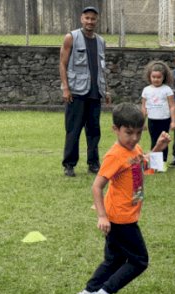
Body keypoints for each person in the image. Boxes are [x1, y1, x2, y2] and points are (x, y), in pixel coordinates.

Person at [74, 103, 171, 294]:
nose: (134, 138)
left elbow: (142, 165)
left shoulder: (133, 149)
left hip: (124, 214)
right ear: (115, 129)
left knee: (115, 259)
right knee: (139, 260)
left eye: (138, 133)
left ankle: (88, 293)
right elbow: (97, 186)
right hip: (120, 218)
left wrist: (158, 148)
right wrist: (102, 216)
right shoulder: (114, 155)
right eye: (128, 133)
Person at [59, 6, 111, 177]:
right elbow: (62, 64)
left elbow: (103, 69)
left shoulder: (101, 41)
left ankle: (93, 163)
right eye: (87, 18)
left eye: (93, 19)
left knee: (94, 131)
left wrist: (106, 90)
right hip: (77, 92)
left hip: (95, 93)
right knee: (73, 130)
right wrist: (65, 88)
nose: (90, 21)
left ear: (97, 20)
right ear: (81, 19)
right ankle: (69, 164)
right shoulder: (71, 37)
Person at [141, 61, 175, 165]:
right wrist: (143, 122)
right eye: (154, 77)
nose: (156, 79)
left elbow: (173, 106)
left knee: (164, 141)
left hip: (165, 120)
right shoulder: (146, 90)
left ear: (163, 77)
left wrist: (173, 121)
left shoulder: (167, 90)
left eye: (158, 77)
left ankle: (163, 162)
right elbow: (143, 107)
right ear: (149, 76)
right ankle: (155, 163)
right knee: (154, 141)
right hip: (152, 120)